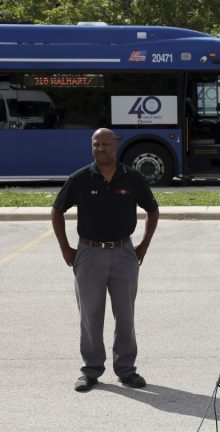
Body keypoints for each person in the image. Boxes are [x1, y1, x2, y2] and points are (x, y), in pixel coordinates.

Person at [51, 128, 159, 393]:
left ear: (115, 146)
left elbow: (152, 210)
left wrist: (143, 246)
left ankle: (126, 370)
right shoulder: (80, 179)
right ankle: (91, 370)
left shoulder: (132, 178)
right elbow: (57, 211)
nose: (100, 148)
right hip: (88, 254)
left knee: (125, 315)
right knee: (90, 316)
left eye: (105, 144)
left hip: (124, 253)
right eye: (96, 144)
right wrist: (66, 248)